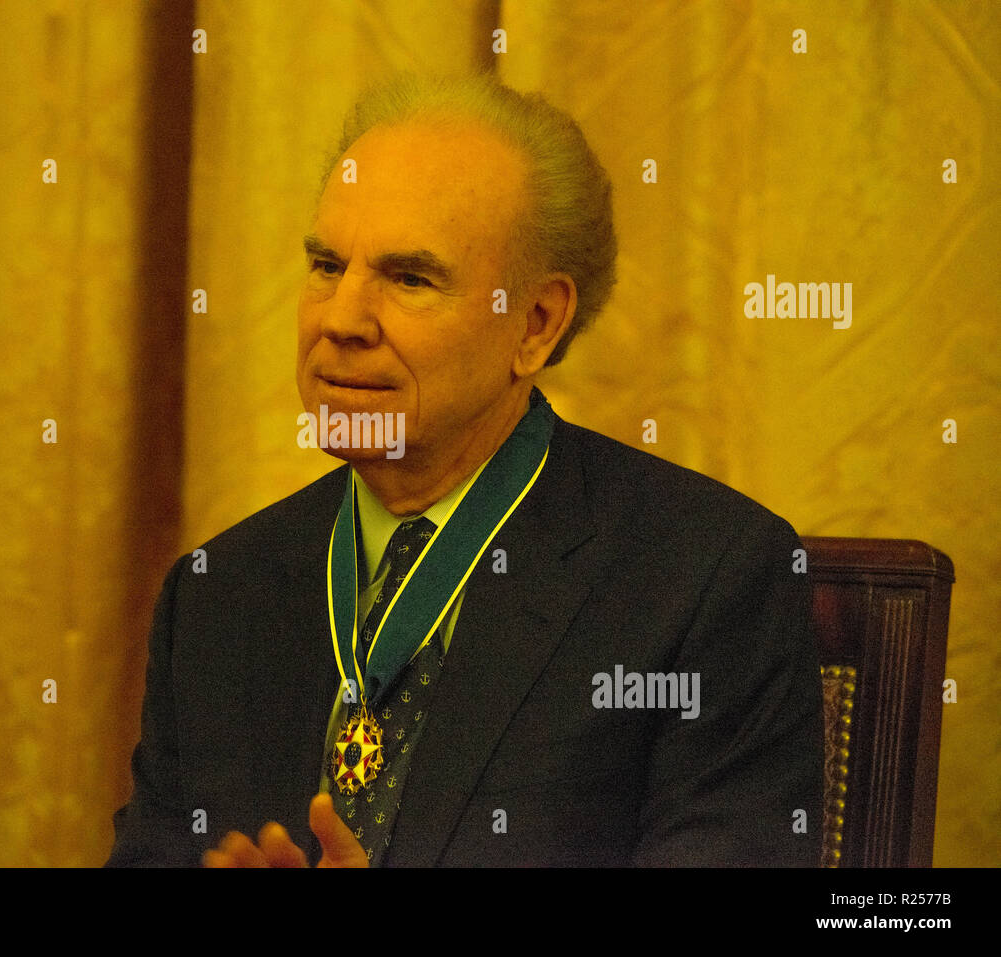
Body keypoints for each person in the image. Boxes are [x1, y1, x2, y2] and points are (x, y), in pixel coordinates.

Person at [107, 73, 823, 867]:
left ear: (536, 323)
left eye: (409, 278)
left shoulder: (705, 582)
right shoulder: (216, 595)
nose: (342, 319)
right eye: (325, 265)